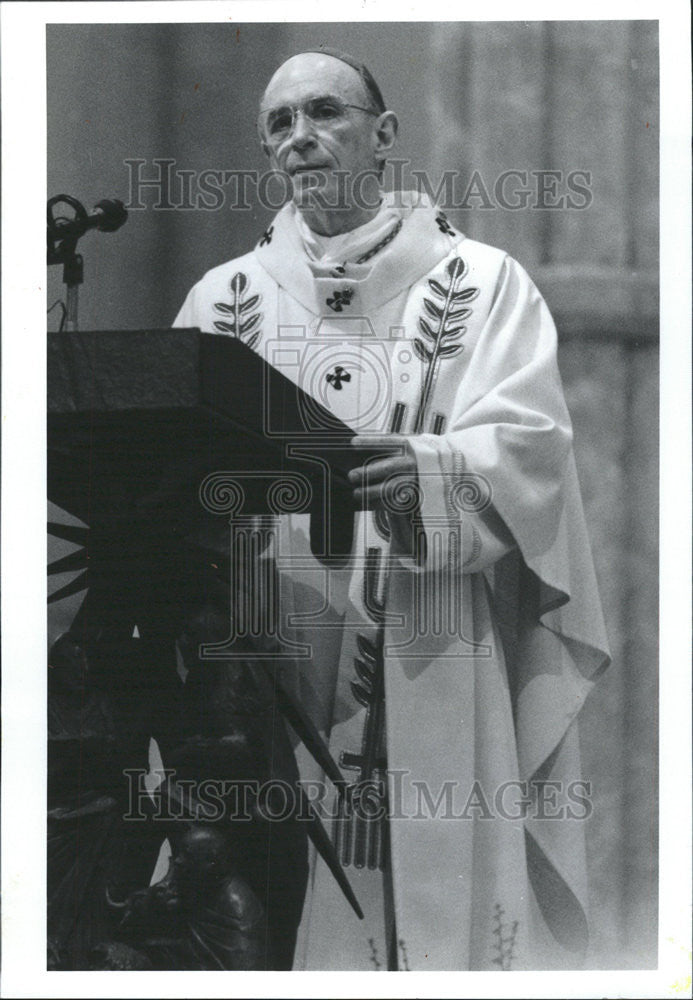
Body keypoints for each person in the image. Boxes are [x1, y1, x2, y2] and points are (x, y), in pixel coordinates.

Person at [173, 47, 610, 971]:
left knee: (434, 925)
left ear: (385, 135)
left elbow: (532, 446)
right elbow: (171, 480)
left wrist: (433, 472)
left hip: (429, 647)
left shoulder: (482, 287)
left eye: (324, 112)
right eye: (280, 125)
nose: (300, 138)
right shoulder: (222, 303)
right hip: (268, 658)